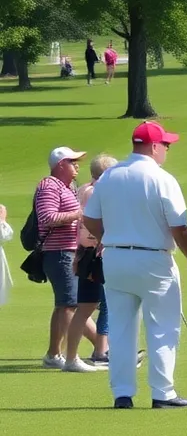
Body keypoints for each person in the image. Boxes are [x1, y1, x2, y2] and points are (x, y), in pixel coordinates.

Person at [82, 122, 187, 409]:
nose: (167, 150)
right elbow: (179, 227)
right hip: (153, 259)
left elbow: (89, 217)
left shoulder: (110, 176)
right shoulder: (162, 178)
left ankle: (122, 393)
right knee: (162, 327)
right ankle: (163, 393)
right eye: (166, 145)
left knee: (120, 328)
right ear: (154, 146)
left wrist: (105, 237)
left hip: (116, 258)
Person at [35, 146, 90, 370]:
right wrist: (78, 214)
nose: (77, 165)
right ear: (60, 165)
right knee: (69, 304)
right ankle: (71, 357)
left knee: (64, 305)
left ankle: (53, 354)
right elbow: (47, 217)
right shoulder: (49, 185)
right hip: (58, 252)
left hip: (67, 251)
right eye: (71, 161)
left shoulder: (67, 186)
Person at [63, 154, 118, 372]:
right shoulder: (100, 192)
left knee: (85, 306)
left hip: (84, 252)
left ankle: (72, 358)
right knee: (106, 304)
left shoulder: (84, 189)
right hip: (98, 252)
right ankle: (101, 352)